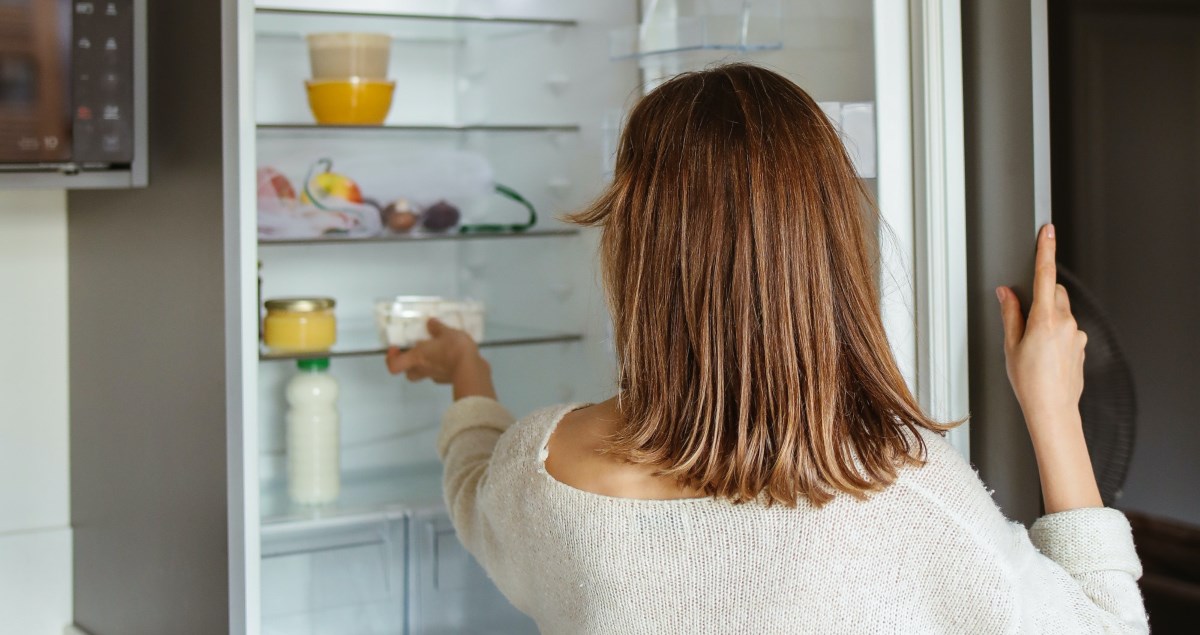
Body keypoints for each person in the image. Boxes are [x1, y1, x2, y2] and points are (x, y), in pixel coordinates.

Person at [386, 64, 1147, 633]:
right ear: (827, 254)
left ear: (638, 257)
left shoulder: (543, 470)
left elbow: (473, 489)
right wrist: (1055, 410)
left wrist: (465, 369)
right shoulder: (905, 500)